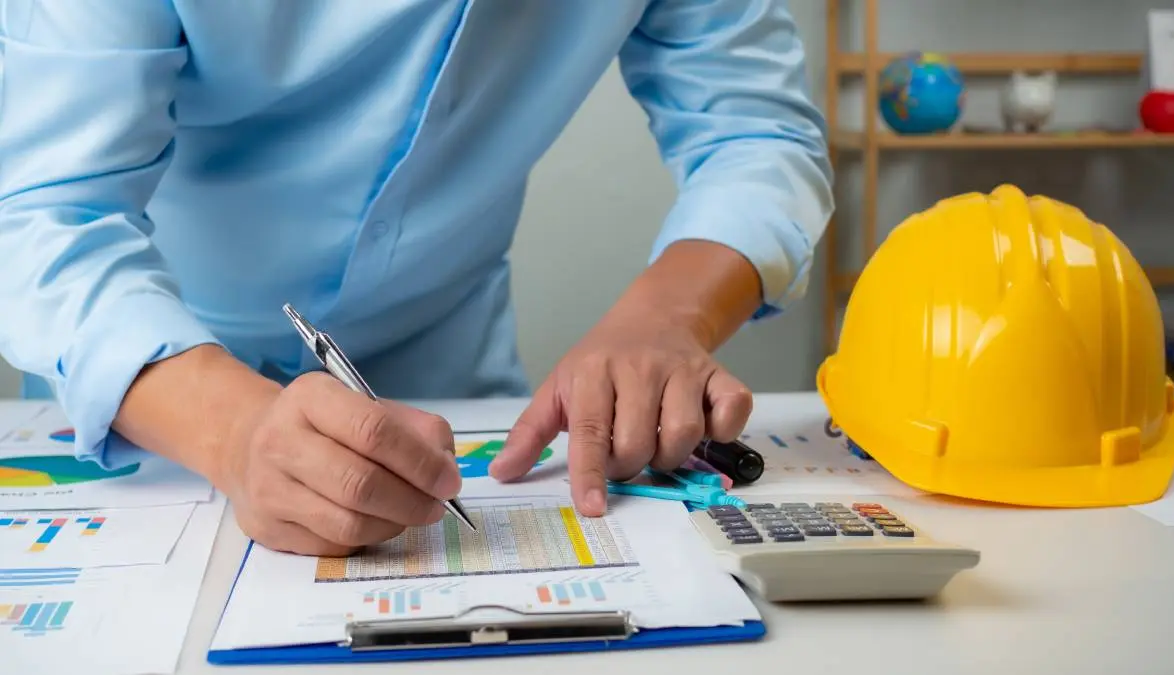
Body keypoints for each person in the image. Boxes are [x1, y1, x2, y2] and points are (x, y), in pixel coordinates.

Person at [0, 1, 833, 556]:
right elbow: (38, 213)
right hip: (144, 397)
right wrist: (229, 432)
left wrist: (665, 318)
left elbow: (756, 133)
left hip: (450, 380)